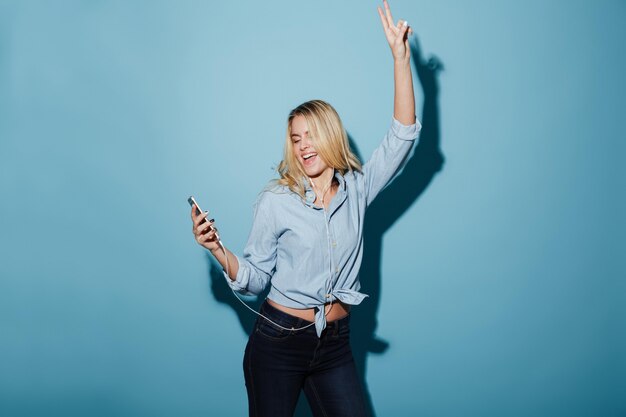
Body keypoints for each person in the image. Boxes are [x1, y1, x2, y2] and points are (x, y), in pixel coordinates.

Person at [191, 1, 420, 415]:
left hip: (335, 344)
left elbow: (402, 136)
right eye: (296, 138)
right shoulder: (276, 201)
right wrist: (218, 251)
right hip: (278, 341)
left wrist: (400, 59)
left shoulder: (358, 188)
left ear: (331, 136)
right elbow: (257, 278)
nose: (303, 146)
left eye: (311, 135)